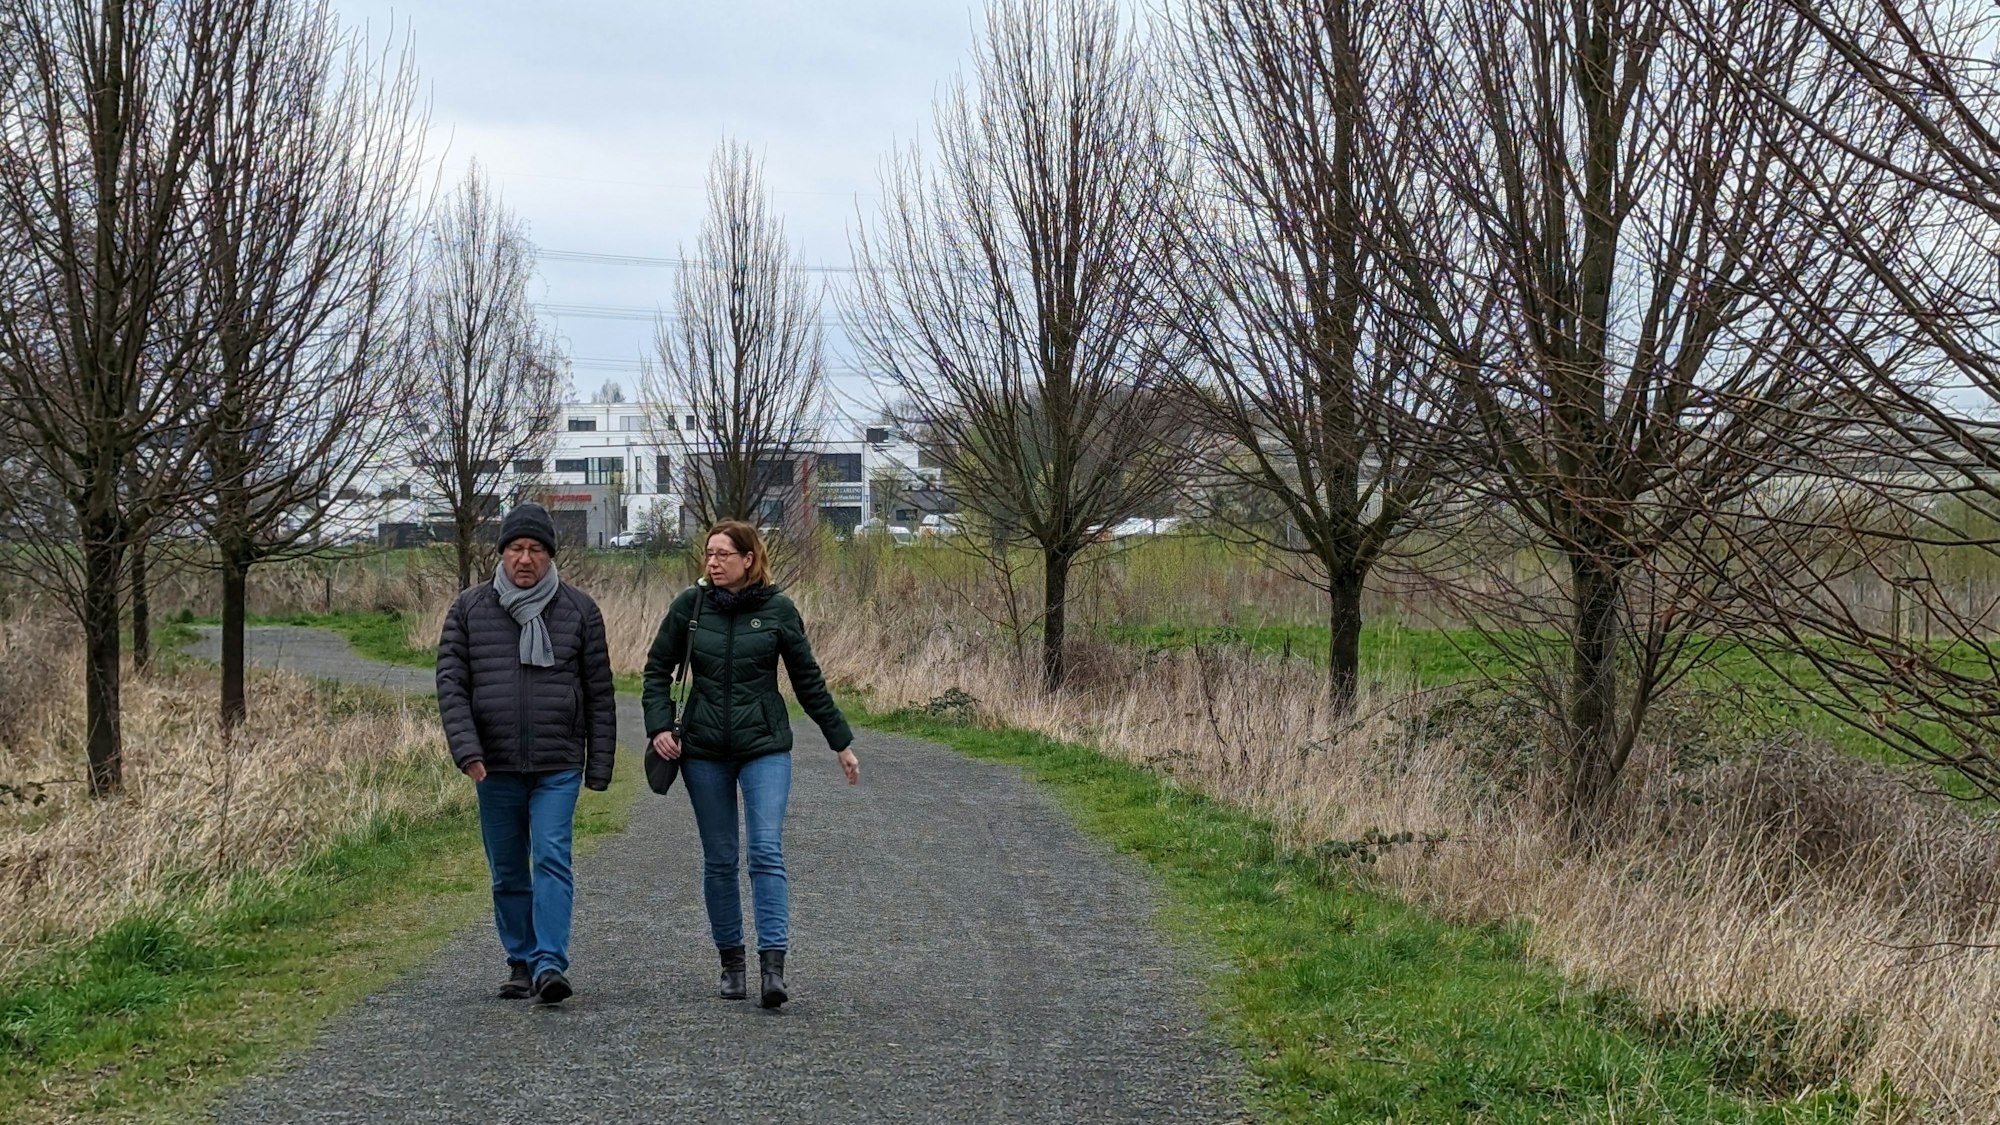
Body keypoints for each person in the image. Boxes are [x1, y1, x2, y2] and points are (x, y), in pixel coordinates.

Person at [643, 520, 859, 1009]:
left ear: (748, 558)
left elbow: (809, 682)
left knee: (765, 851)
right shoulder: (689, 607)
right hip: (702, 752)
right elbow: (656, 669)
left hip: (764, 747)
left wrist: (840, 743)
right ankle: (732, 965)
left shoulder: (779, 610)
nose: (713, 562)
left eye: (723, 554)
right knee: (720, 858)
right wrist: (659, 726)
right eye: (708, 554)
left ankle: (773, 970)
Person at [436, 502, 615, 1005]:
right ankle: (520, 960)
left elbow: (598, 691)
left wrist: (598, 764)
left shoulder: (580, 611)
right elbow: (451, 686)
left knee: (553, 857)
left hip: (558, 762)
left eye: (536, 549)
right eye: (516, 548)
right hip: (493, 765)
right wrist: (466, 750)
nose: (525, 558)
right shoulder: (469, 609)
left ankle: (550, 962)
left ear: (550, 556)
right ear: (502, 553)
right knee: (508, 868)